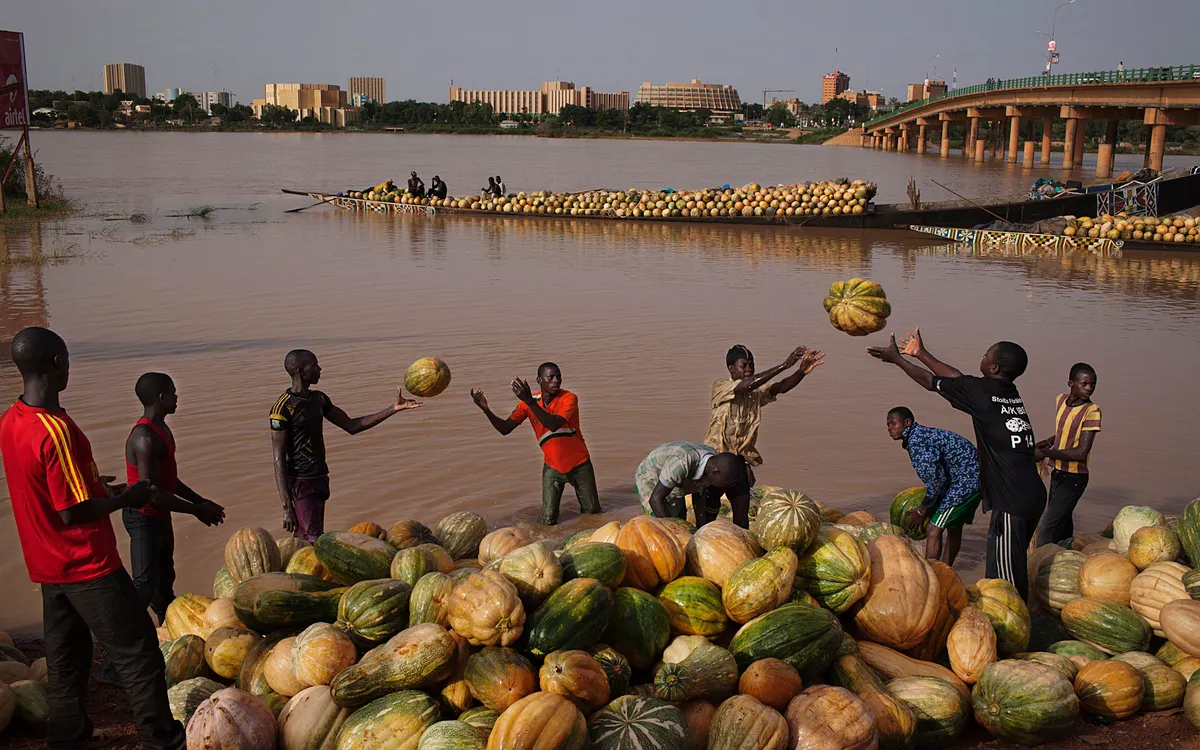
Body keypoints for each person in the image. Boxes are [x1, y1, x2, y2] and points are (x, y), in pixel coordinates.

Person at [0, 327, 185, 750]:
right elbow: (71, 511)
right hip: (86, 563)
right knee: (139, 651)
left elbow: (47, 489)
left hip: (46, 564)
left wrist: (96, 486)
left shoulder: (11, 420)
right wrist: (130, 498)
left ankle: (67, 735)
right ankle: (163, 740)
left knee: (67, 657)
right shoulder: (56, 429)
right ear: (58, 364)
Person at [868, 328, 1044, 599]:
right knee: (1010, 564)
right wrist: (921, 353)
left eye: (986, 354)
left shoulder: (983, 395)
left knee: (1004, 583)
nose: (982, 356)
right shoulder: (1008, 392)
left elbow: (931, 381)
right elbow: (958, 380)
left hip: (1012, 499)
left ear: (993, 366)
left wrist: (899, 360)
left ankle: (1016, 632)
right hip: (1032, 492)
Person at [271, 349, 424, 541]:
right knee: (313, 538)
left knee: (308, 535)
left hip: (320, 476)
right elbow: (278, 458)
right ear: (300, 371)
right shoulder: (283, 408)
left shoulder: (319, 399)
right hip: (301, 482)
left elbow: (352, 425)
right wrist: (286, 507)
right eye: (315, 366)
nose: (320, 369)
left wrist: (393, 409)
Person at [124, 372, 226, 625]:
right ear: (161, 398)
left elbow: (168, 482)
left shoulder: (162, 429)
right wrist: (195, 510)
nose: (177, 397)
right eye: (173, 392)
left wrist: (201, 501)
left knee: (165, 578)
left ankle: (165, 629)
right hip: (142, 516)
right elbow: (152, 494)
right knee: (144, 583)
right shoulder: (144, 437)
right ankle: (125, 638)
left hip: (159, 514)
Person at [470, 363, 601, 525]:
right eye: (550, 377)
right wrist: (486, 410)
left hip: (580, 464)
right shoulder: (527, 404)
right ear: (539, 380)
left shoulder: (569, 398)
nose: (556, 381)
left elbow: (553, 425)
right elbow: (505, 428)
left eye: (558, 376)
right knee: (547, 521)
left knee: (593, 514)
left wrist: (530, 402)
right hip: (553, 467)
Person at [886, 406, 982, 564]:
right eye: (888, 425)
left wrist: (921, 511)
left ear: (908, 422)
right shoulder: (922, 435)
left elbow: (936, 482)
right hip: (973, 478)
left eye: (893, 423)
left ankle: (931, 573)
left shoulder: (918, 443)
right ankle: (945, 570)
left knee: (933, 529)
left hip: (965, 483)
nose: (890, 428)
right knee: (954, 528)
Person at [706, 344, 824, 471]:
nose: (748, 369)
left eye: (751, 365)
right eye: (743, 365)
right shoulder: (721, 386)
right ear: (731, 368)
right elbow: (746, 386)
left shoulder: (755, 393)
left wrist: (801, 372)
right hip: (716, 456)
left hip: (740, 458)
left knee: (742, 487)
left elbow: (781, 387)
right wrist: (784, 365)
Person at [1035, 363, 1101, 545]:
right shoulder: (1060, 401)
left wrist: (1045, 453)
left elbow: (1081, 452)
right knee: (1062, 523)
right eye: (1084, 384)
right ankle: (1067, 554)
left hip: (1075, 478)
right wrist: (1043, 444)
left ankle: (1037, 564)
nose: (1089, 388)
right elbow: (1063, 433)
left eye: (1092, 384)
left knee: (1048, 525)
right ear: (1070, 383)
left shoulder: (1092, 412)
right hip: (1058, 473)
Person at [635, 441, 751, 527]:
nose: (724, 488)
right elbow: (655, 499)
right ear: (715, 472)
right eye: (726, 484)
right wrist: (671, 530)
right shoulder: (682, 463)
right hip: (650, 477)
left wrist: (701, 527)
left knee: (680, 518)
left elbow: (699, 493)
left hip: (677, 478)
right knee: (660, 522)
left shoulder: (711, 462)